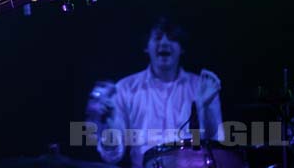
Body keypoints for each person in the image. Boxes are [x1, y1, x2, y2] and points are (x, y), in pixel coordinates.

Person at [86, 17, 223, 168]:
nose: (164, 43)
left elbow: (217, 144)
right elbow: (112, 156)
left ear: (182, 48)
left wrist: (205, 107)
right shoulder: (125, 88)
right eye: (157, 38)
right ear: (146, 47)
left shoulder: (202, 86)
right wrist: (108, 125)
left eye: (172, 39)